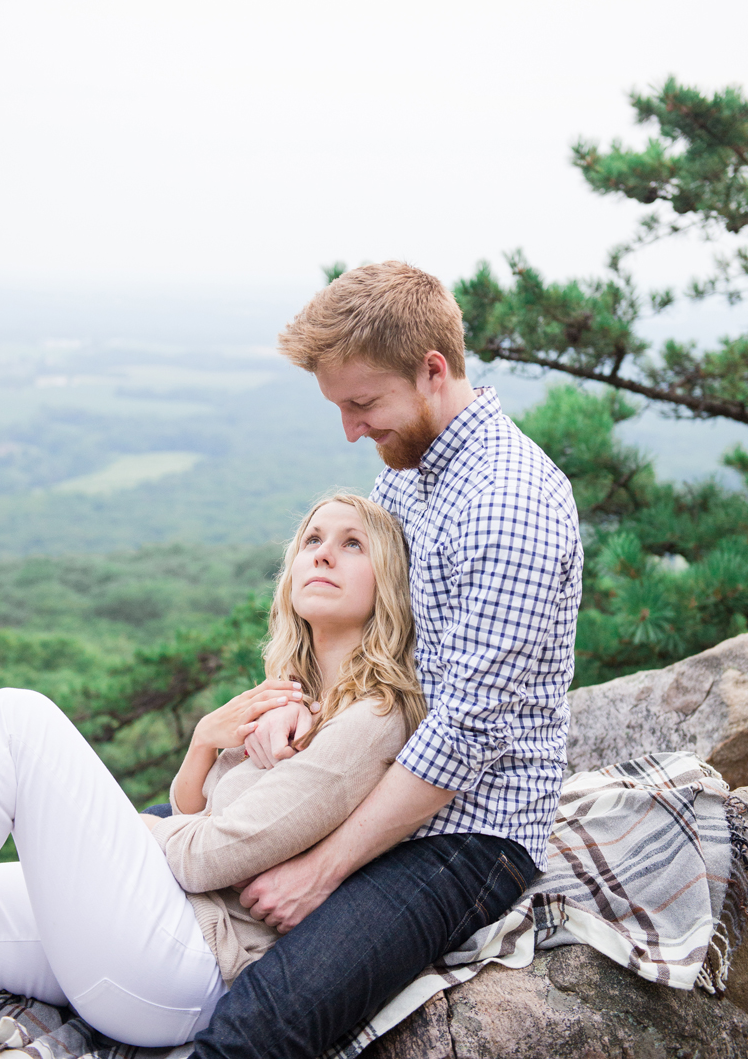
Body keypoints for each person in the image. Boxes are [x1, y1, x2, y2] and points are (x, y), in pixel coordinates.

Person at [191, 261, 584, 1059]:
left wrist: (323, 868)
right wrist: (299, 699)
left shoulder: (510, 504)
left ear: (433, 371)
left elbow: (464, 737)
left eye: (362, 403)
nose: (350, 429)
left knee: (262, 1020)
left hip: (464, 832)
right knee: (145, 844)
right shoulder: (410, 481)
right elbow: (357, 625)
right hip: (359, 776)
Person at [0, 494, 425, 1049]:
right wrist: (202, 744)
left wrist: (141, 831)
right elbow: (195, 816)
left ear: (386, 583)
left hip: (184, 961)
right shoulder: (290, 696)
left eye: (352, 545)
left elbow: (205, 860)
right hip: (142, 931)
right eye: (313, 540)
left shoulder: (373, 718)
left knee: (17, 719)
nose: (322, 556)